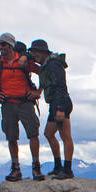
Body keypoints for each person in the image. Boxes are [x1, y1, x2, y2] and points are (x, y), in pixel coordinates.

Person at [0, 33, 44, 182]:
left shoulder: (23, 61)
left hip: (25, 102)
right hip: (8, 103)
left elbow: (42, 72)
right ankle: (16, 168)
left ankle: (36, 166)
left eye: (3, 44)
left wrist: (38, 92)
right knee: (11, 137)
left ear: (10, 45)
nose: (1, 47)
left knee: (33, 133)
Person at [25, 39, 74, 179]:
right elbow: (28, 56)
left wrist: (60, 108)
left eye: (36, 52)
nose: (34, 55)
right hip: (55, 103)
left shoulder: (53, 65)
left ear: (42, 52)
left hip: (61, 103)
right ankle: (59, 166)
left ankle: (67, 169)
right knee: (48, 133)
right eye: (32, 52)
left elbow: (61, 86)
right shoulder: (47, 64)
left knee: (65, 136)